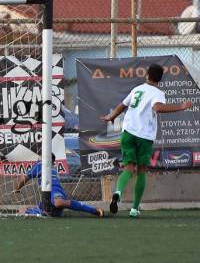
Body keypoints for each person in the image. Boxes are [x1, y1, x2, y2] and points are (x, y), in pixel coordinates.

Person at [102, 63, 192, 218]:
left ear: (147, 75)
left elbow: (122, 105)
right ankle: (134, 209)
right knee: (141, 170)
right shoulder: (157, 93)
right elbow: (157, 108)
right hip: (144, 136)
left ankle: (118, 192)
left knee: (128, 168)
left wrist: (111, 117)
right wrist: (181, 107)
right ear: (160, 79)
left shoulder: (137, 89)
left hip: (128, 132)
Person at [14, 154, 104, 218]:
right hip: (48, 196)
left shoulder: (41, 165)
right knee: (27, 210)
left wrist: (17, 188)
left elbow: (25, 178)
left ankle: (94, 210)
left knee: (58, 202)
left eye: (41, 156)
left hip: (55, 190)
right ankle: (39, 210)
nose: (39, 158)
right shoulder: (50, 167)